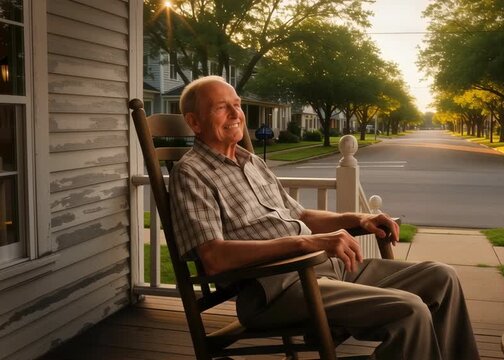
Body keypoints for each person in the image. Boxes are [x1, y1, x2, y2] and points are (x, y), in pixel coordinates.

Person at [169, 75, 480, 360]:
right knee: (409, 310)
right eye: (222, 108)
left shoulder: (251, 161)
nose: (236, 114)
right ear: (195, 122)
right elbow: (213, 257)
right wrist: (306, 243)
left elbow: (301, 215)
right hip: (279, 288)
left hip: (330, 270)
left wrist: (359, 219)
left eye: (237, 105)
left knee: (442, 277)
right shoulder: (192, 172)